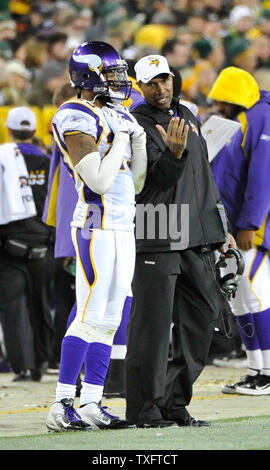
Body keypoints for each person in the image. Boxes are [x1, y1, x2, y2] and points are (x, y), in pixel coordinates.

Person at [125, 54, 236, 428]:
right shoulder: (135, 123)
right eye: (153, 83)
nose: (162, 88)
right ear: (139, 87)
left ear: (174, 79)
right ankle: (144, 409)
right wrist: (172, 155)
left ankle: (174, 402)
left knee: (203, 321)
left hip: (197, 233)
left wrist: (220, 227)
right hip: (158, 229)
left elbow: (204, 175)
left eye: (166, 79)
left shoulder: (188, 114)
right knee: (152, 330)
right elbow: (150, 185)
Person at [46, 40, 147, 432]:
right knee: (88, 316)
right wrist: (121, 138)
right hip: (94, 224)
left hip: (123, 226)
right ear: (88, 75)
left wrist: (135, 141)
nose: (120, 80)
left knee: (110, 316)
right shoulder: (73, 115)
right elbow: (99, 181)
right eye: (111, 73)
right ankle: (60, 403)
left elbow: (134, 183)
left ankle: (90, 402)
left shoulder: (114, 113)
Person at [208, 66, 270, 395]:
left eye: (223, 100)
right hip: (232, 225)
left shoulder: (261, 117)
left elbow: (262, 178)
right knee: (240, 301)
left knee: (256, 295)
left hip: (254, 227)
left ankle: (268, 371)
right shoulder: (235, 121)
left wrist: (250, 224)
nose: (219, 106)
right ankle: (256, 369)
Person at [0, 106, 55, 381]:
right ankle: (41, 362)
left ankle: (21, 366)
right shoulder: (50, 161)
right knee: (42, 303)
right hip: (45, 244)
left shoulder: (3, 159)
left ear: (8, 130)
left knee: (13, 307)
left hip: (9, 244)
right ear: (35, 131)